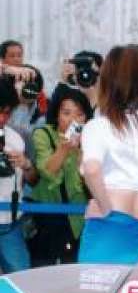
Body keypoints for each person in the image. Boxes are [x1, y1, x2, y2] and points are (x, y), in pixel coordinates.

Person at [79, 45, 138, 265]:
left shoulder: (99, 126)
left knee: (95, 287)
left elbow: (92, 169)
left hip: (107, 227)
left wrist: (105, 207)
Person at [30, 85, 92, 266]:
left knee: (75, 268)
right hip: (48, 215)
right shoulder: (43, 134)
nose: (73, 120)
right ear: (56, 115)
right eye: (66, 113)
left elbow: (91, 180)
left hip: (80, 216)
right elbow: (47, 171)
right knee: (42, 268)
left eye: (79, 114)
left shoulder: (92, 137)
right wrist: (65, 148)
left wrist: (81, 153)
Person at [0, 76, 37, 272]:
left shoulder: (17, 138)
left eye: (7, 112)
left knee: (21, 278)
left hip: (11, 223)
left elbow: (33, 180)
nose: (2, 118)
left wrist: (26, 165)